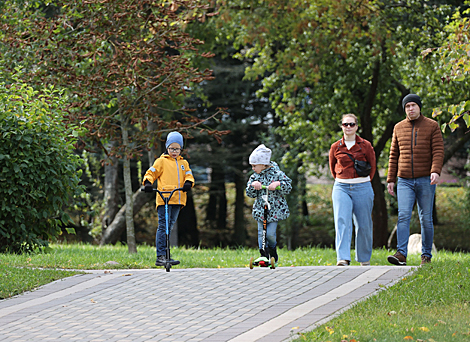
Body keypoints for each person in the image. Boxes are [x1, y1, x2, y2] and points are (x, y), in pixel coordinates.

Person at [387, 94, 444, 266]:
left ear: (419, 107)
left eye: (413, 105)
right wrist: (390, 179)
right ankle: (401, 254)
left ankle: (426, 255)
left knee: (425, 218)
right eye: (407, 106)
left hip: (426, 179)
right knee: (403, 215)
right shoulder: (398, 127)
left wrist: (435, 171)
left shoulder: (432, 126)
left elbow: (438, 151)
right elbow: (393, 155)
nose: (410, 109)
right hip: (404, 180)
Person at [328, 114, 376, 266]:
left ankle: (364, 258)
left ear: (356, 126)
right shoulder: (336, 147)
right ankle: (343, 258)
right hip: (341, 187)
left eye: (351, 124)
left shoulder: (365, 145)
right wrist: (342, 178)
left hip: (362, 186)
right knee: (342, 220)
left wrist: (363, 180)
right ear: (341, 126)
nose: (348, 127)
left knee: (364, 224)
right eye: (345, 124)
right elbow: (332, 167)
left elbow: (373, 166)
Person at [142, 132, 194, 266]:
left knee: (169, 226)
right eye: (172, 148)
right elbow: (151, 173)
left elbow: (189, 176)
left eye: (177, 149)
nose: (174, 151)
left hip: (178, 198)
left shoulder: (184, 163)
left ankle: (166, 255)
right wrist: (148, 183)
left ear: (181, 149)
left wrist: (188, 183)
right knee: (163, 226)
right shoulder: (161, 161)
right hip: (164, 198)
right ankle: (161, 255)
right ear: (167, 148)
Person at [246, 144, 292, 266]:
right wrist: (253, 185)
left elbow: (288, 187)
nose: (253, 168)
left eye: (255, 166)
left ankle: (273, 252)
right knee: (261, 233)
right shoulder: (254, 177)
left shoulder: (277, 174)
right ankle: (263, 255)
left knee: (270, 234)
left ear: (263, 164)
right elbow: (249, 193)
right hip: (261, 209)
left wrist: (278, 184)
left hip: (275, 210)